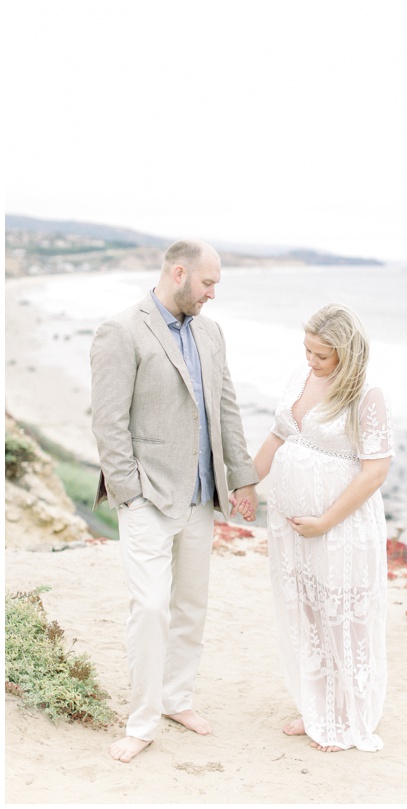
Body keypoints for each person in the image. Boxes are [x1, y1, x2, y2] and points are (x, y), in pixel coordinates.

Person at [90, 238, 259, 763]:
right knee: (150, 609)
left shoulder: (211, 333)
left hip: (200, 496)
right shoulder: (121, 330)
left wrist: (242, 478)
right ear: (179, 273)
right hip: (148, 498)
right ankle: (140, 723)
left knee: (190, 607)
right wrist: (131, 495)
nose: (213, 294)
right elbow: (108, 422)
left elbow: (226, 409)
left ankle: (175, 699)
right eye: (208, 283)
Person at [254, 303, 393, 752]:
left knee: (342, 618)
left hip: (340, 527)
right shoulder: (301, 377)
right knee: (306, 612)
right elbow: (278, 437)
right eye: (307, 350)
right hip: (293, 526)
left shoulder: (366, 395)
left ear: (346, 354)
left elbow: (374, 471)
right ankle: (317, 708)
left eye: (322, 355)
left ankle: (346, 719)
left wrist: (325, 521)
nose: (311, 361)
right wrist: (243, 485)